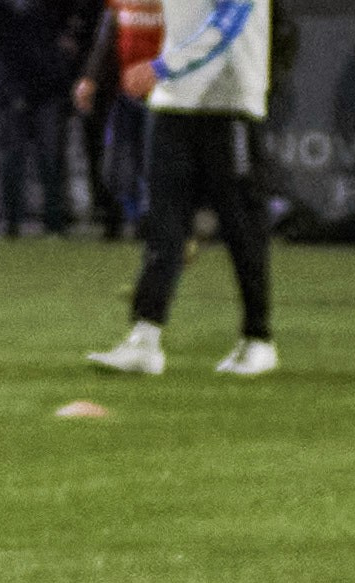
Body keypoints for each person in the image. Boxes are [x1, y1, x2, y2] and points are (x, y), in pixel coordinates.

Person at [86, 0, 277, 376]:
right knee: (163, 225)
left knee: (241, 227)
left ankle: (258, 338)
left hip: (228, 102)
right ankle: (145, 338)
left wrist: (161, 67)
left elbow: (227, 25)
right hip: (172, 102)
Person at [0, 0, 80, 238]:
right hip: (10, 84)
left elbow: (71, 22)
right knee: (12, 155)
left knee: (50, 155)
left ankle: (54, 221)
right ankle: (10, 220)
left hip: (48, 82)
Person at [73, 0, 165, 241]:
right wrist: (90, 78)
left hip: (162, 95)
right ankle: (125, 218)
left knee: (153, 163)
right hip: (124, 93)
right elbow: (106, 37)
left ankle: (151, 224)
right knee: (114, 165)